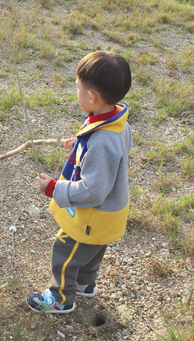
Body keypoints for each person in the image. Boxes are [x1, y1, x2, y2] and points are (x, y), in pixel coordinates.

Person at [27, 50, 132, 314]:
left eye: (78, 88)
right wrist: (80, 143)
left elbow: (93, 190)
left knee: (65, 252)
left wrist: (53, 189)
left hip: (92, 216)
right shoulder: (115, 121)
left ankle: (61, 298)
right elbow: (106, 151)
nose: (77, 92)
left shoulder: (102, 141)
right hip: (108, 215)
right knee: (93, 251)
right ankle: (85, 285)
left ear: (92, 97)